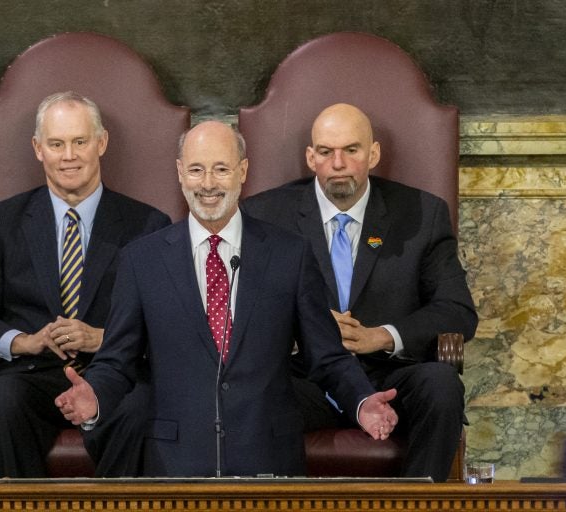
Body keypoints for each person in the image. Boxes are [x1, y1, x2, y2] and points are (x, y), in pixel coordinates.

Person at [55, 120, 398, 477]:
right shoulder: (142, 260)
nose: (207, 184)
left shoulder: (289, 255)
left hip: (268, 459)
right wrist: (93, 397)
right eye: (196, 170)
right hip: (175, 464)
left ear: (242, 171)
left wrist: (362, 400)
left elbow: (326, 356)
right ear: (179, 173)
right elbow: (116, 361)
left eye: (220, 169)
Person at [240, 103, 478, 482]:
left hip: (390, 376)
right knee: (251, 391)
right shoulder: (265, 215)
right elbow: (241, 310)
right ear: (310, 158)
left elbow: (457, 311)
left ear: (374, 154)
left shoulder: (422, 213)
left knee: (442, 386)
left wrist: (381, 337)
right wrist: (306, 327)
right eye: (325, 151)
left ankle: (416, 509)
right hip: (307, 380)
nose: (338, 163)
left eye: (351, 150)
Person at [0, 91, 170, 478]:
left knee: (140, 407)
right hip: (29, 374)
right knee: (1, 401)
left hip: (114, 374)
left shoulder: (148, 225)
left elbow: (170, 318)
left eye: (80, 142)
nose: (69, 156)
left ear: (101, 143)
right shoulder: (3, 222)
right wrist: (21, 341)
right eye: (56, 144)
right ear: (37, 149)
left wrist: (103, 338)